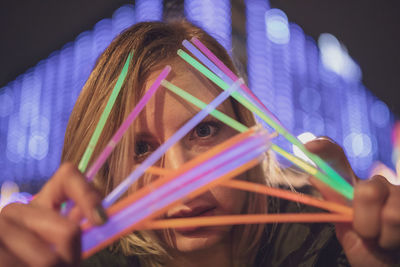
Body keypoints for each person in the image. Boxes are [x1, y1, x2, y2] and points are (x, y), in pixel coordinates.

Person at [0, 20, 399, 267]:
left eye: (204, 130)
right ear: (106, 168)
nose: (180, 177)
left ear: (245, 129)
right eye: (141, 148)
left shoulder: (326, 247)